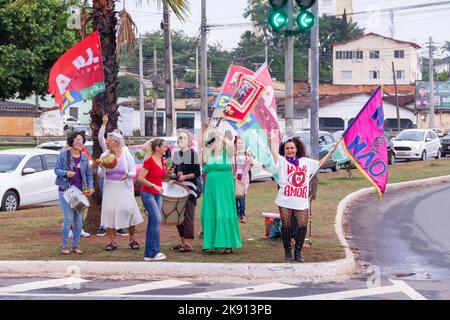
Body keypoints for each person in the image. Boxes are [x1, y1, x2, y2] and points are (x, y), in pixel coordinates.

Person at [269, 132, 321, 263]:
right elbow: (274, 152)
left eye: (292, 148)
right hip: (285, 199)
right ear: (284, 150)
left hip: (301, 200)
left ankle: (298, 252)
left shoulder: (306, 162)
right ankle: (287, 252)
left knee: (302, 224)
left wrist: (335, 148)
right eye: (287, 148)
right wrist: (271, 139)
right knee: (286, 225)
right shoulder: (281, 161)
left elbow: (322, 163)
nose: (290, 150)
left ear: (297, 149)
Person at [98, 132, 144, 251]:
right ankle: (112, 242)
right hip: (110, 187)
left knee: (129, 211)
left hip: (124, 187)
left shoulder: (126, 154)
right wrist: (102, 166)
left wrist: (127, 175)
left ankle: (132, 239)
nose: (107, 142)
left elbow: (134, 171)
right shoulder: (104, 155)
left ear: (116, 142)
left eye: (109, 140)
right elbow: (101, 174)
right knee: (110, 212)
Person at [200, 125, 242, 254]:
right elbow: (202, 161)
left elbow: (230, 145)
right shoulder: (207, 152)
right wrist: (206, 131)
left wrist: (217, 133)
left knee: (224, 212)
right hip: (210, 189)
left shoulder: (227, 153)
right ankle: (210, 243)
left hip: (224, 188)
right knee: (209, 213)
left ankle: (227, 243)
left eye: (215, 139)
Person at [54, 131, 94, 255]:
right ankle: (64, 246)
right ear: (71, 141)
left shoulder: (84, 157)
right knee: (68, 218)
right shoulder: (63, 154)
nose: (79, 142)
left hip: (79, 193)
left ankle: (75, 246)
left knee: (79, 221)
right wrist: (66, 173)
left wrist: (91, 187)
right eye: (76, 139)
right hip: (66, 191)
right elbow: (56, 170)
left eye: (81, 140)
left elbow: (89, 174)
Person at [169, 129, 201, 252]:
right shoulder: (177, 155)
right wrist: (173, 176)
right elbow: (175, 172)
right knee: (178, 216)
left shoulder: (193, 154)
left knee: (188, 215)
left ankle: (188, 243)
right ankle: (182, 242)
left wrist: (185, 177)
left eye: (183, 138)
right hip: (178, 188)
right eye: (179, 138)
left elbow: (197, 173)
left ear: (189, 141)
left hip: (190, 189)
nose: (180, 140)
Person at [97, 115, 129, 237]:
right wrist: (104, 123)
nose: (115, 135)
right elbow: (100, 137)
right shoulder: (107, 149)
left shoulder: (125, 150)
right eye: (113, 134)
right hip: (107, 180)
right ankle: (103, 226)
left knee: (119, 204)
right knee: (107, 203)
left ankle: (120, 227)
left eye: (118, 134)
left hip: (121, 182)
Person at [137, 138, 168, 261]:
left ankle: (148, 254)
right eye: (164, 146)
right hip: (147, 193)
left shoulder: (162, 160)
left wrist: (167, 174)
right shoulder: (149, 161)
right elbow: (140, 178)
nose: (166, 148)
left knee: (153, 222)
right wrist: (153, 185)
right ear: (157, 148)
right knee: (157, 219)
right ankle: (155, 252)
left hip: (157, 194)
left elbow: (159, 177)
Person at [231, 136, 253, 223]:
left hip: (244, 177)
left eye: (241, 143)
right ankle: (236, 214)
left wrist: (250, 156)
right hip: (235, 176)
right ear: (235, 144)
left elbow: (251, 164)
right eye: (238, 143)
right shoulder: (233, 154)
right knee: (235, 196)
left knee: (242, 196)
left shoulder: (246, 154)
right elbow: (231, 165)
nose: (240, 145)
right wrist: (233, 175)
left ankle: (242, 214)